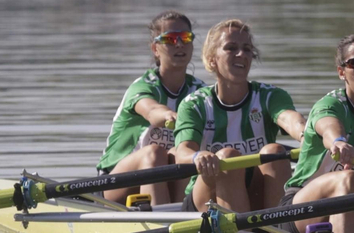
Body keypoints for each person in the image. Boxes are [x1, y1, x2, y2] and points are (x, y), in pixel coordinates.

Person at [172, 19, 305, 212]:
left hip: (255, 187)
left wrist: (305, 135)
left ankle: (278, 231)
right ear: (212, 59)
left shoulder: (270, 96)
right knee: (228, 157)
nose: (241, 54)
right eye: (231, 48)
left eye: (247, 49)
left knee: (275, 152)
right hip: (207, 195)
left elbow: (289, 119)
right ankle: (240, 232)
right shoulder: (195, 104)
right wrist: (198, 156)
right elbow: (182, 153)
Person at [95, 11, 208, 205]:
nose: (179, 44)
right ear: (156, 48)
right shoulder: (142, 87)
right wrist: (172, 116)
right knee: (155, 153)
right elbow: (152, 111)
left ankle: (183, 218)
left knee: (182, 155)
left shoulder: (200, 91)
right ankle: (162, 223)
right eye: (170, 39)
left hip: (166, 178)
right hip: (114, 183)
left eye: (186, 38)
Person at [284, 33, 354, 233]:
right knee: (348, 179)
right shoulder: (330, 105)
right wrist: (338, 142)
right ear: (342, 72)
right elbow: (328, 126)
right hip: (300, 210)